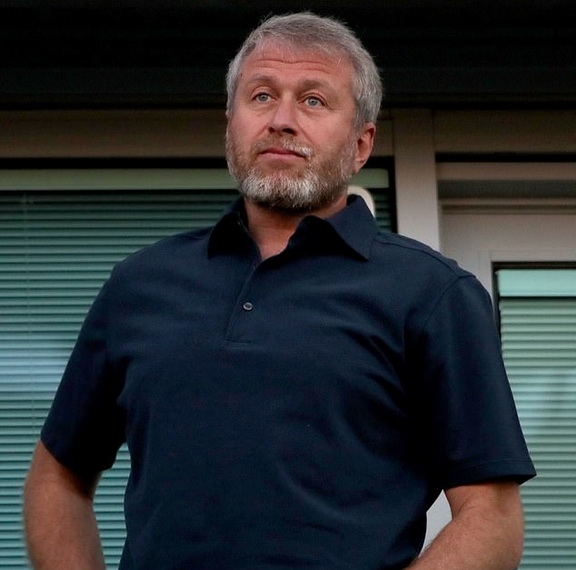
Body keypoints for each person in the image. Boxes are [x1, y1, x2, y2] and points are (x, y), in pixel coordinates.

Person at [23, 12, 535, 570]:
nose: (282, 121)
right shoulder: (140, 285)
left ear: (361, 144)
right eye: (262, 96)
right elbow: (57, 477)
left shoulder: (433, 294)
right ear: (230, 126)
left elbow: (491, 517)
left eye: (313, 100)